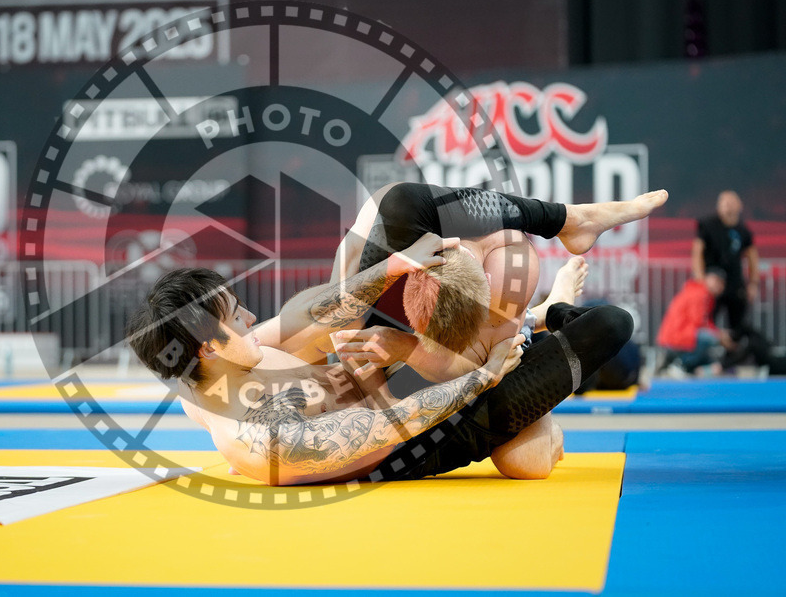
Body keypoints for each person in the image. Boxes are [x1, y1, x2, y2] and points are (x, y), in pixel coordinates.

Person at [127, 185, 659, 484]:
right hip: (433, 435)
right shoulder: (253, 440)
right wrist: (482, 375)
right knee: (612, 325)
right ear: (210, 345)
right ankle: (544, 317)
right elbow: (395, 426)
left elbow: (317, 312)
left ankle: (569, 221)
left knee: (401, 205)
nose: (248, 317)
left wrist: (391, 268)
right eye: (236, 315)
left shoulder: (237, 355)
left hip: (390, 368)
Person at [693, 191, 759, 338]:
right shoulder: (707, 225)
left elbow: (752, 257)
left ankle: (733, 356)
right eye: (725, 203)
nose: (728, 207)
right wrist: (701, 280)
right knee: (706, 323)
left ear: (739, 206)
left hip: (734, 283)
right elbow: (697, 253)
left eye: (731, 203)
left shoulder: (744, 231)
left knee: (737, 325)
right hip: (712, 284)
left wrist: (753, 283)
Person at [656, 268, 733, 377]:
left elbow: (703, 322)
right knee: (710, 339)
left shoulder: (699, 292)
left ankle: (677, 364)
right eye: (718, 282)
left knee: (713, 362)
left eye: (722, 284)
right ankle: (681, 364)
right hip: (677, 337)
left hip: (677, 336)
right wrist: (719, 335)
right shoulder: (700, 294)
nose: (720, 287)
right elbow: (699, 323)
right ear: (709, 279)